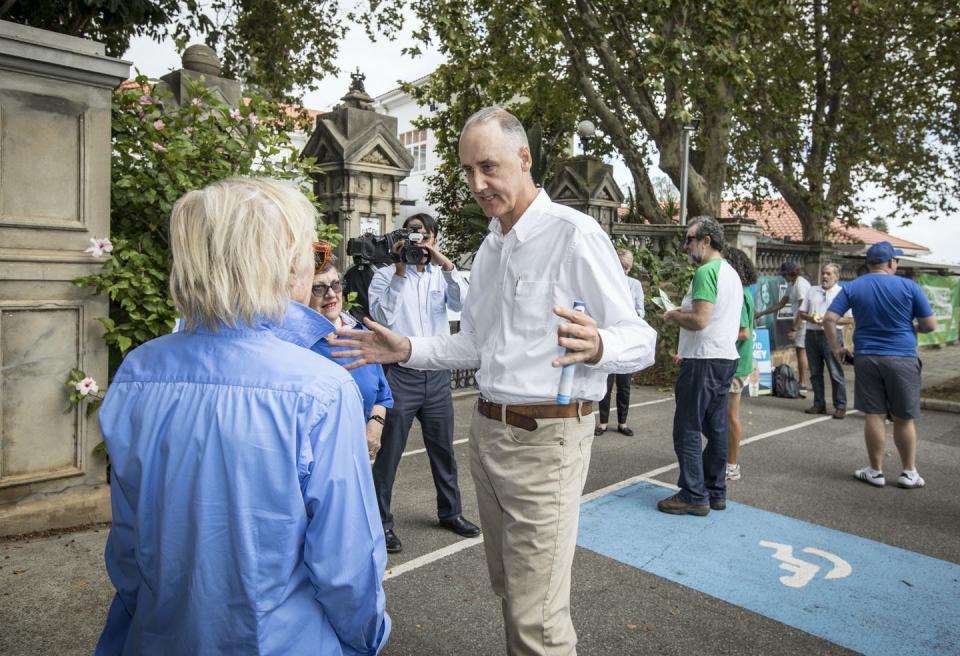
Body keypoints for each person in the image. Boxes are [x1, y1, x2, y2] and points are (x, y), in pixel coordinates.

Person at [333, 106, 657, 656]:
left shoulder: (574, 235)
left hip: (549, 443)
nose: (477, 183)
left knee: (538, 618)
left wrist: (602, 343)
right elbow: (475, 346)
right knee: (511, 591)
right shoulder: (491, 246)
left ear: (524, 159)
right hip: (486, 436)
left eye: (489, 167)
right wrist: (407, 347)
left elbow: (641, 338)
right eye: (467, 171)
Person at [95, 178, 390, 655]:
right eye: (311, 257)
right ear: (278, 265)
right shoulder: (319, 388)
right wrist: (366, 641)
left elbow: (130, 548)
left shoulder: (139, 371)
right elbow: (348, 566)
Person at [367, 212, 480, 554]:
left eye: (424, 236)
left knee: (444, 451)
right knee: (389, 454)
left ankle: (451, 512)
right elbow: (382, 318)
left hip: (437, 375)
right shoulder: (384, 275)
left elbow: (464, 304)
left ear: (433, 238)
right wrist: (400, 271)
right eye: (412, 235)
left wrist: (444, 263)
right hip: (401, 374)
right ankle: (381, 523)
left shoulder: (442, 276)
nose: (418, 242)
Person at [823, 241, 936, 489]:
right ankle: (908, 472)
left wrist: (837, 348)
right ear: (890, 263)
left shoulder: (853, 286)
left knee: (873, 414)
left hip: (867, 357)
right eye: (896, 260)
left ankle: (875, 471)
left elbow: (829, 319)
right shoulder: (909, 286)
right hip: (903, 357)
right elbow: (930, 325)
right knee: (903, 418)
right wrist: (912, 327)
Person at [659, 216, 743, 515]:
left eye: (689, 239)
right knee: (717, 427)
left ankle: (693, 494)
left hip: (703, 359)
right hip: (724, 357)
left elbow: (700, 320)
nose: (685, 246)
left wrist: (672, 315)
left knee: (688, 429)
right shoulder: (731, 273)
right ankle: (715, 491)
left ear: (706, 241)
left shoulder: (706, 271)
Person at [308, 245, 392, 458]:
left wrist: (376, 424)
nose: (331, 295)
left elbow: (383, 395)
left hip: (360, 454)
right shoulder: (299, 347)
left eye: (336, 285)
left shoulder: (360, 333)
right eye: (319, 288)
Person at [596, 247, 645, 436]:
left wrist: (635, 312)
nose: (623, 271)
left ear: (630, 268)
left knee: (624, 384)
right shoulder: (606, 282)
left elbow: (642, 310)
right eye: (620, 266)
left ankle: (622, 422)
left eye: (626, 268)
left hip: (627, 340)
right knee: (605, 383)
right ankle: (602, 422)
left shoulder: (635, 285)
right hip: (609, 336)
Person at [798, 263, 854, 419]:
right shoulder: (812, 290)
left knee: (835, 372)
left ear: (837, 276)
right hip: (812, 334)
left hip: (832, 335)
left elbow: (849, 319)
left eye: (829, 274)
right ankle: (819, 403)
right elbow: (802, 313)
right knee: (815, 373)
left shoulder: (842, 293)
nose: (824, 276)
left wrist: (829, 321)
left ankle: (840, 405)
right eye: (823, 273)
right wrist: (812, 318)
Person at [720, 246, 757, 483]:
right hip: (739, 361)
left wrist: (714, 335)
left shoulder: (740, 295)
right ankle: (725, 459)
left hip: (736, 361)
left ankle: (732, 464)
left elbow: (742, 332)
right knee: (724, 415)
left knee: (730, 416)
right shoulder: (744, 292)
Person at [755, 261, 811, 390]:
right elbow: (780, 304)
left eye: (784, 274)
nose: (783, 277)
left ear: (790, 273)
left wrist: (794, 328)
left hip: (803, 322)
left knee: (801, 350)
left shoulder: (801, 285)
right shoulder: (792, 284)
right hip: (800, 322)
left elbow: (804, 309)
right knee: (799, 350)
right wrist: (761, 313)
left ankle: (802, 382)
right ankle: (802, 381)